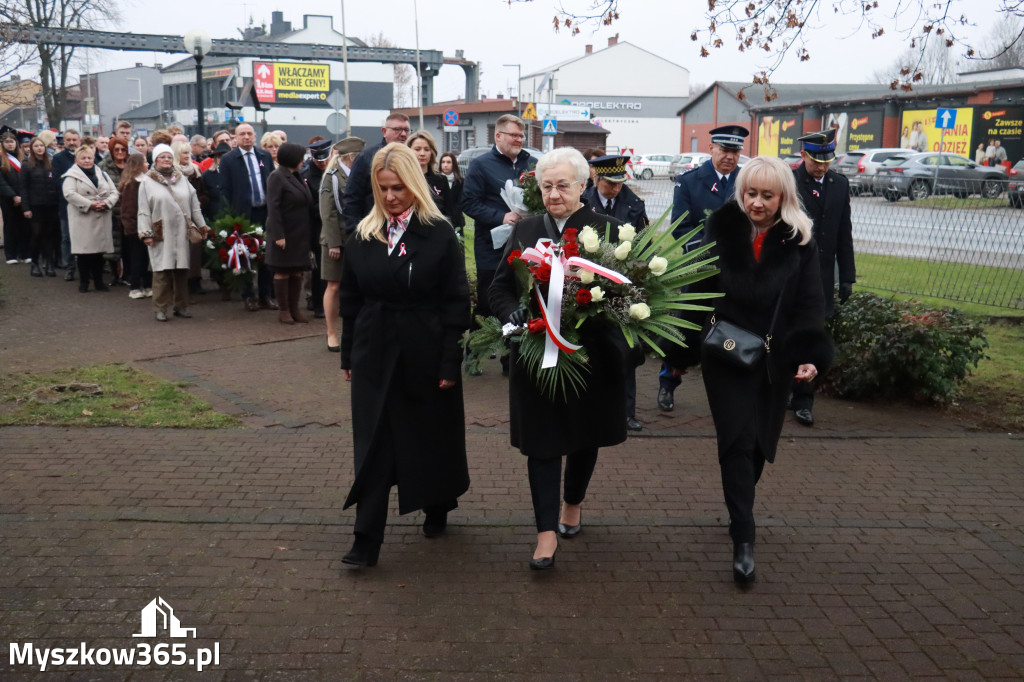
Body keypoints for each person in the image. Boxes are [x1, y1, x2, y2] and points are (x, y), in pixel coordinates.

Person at [667, 156, 831, 584]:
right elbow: (698, 292)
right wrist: (681, 346)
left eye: (766, 195)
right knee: (736, 441)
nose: (756, 203)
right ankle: (744, 536)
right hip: (726, 354)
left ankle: (741, 501)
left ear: (783, 197)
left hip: (775, 357)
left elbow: (811, 302)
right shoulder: (719, 229)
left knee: (759, 444)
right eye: (750, 193)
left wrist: (811, 353)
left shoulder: (800, 241)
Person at [489, 147, 629, 570]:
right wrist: (509, 310)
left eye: (562, 185)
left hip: (590, 358)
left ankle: (574, 501)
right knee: (543, 443)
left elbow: (628, 291)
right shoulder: (527, 230)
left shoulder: (610, 230)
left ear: (582, 186)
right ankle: (545, 532)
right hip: (536, 357)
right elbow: (498, 287)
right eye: (547, 186)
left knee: (585, 436)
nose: (554, 194)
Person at [339, 143, 471, 568]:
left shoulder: (439, 233)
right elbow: (350, 299)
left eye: (398, 187)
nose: (391, 197)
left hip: (425, 347)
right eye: (383, 189)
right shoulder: (362, 233)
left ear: (414, 185)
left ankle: (438, 502)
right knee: (374, 443)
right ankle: (366, 537)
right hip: (374, 347)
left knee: (430, 435)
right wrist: (347, 356)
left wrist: (451, 360)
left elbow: (456, 301)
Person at [660, 125, 750, 412]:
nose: (729, 157)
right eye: (724, 150)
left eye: (735, 152)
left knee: (733, 330)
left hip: (737, 272)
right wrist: (711, 250)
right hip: (701, 270)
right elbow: (681, 227)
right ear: (711, 148)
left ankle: (728, 392)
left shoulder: (747, 182)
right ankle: (668, 382)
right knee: (685, 329)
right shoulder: (690, 182)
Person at [461, 114, 535, 376]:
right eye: (514, 135)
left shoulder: (532, 163)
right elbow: (468, 202)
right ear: (498, 136)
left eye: (521, 135)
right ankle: (474, 354)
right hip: (490, 247)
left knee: (517, 300)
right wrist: (501, 217)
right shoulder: (481, 166)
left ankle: (509, 360)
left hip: (525, 246)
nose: (518, 140)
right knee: (487, 302)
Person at [581, 153, 649, 432]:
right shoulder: (583, 202)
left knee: (626, 348)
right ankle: (591, 408)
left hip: (624, 284)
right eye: (611, 183)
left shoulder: (633, 203)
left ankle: (627, 412)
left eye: (620, 183)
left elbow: (644, 241)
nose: (616, 189)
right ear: (597, 178)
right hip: (589, 284)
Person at [792, 129, 856, 427]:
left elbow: (844, 233)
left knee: (812, 338)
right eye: (816, 160)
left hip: (821, 279)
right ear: (803, 155)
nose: (822, 166)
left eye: (827, 160)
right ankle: (781, 389)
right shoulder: (788, 183)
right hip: (791, 275)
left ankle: (804, 400)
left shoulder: (839, 184)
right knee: (784, 336)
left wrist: (847, 277)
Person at [137, 144, 209, 322]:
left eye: (169, 157)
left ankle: (181, 306)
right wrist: (146, 233)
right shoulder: (147, 182)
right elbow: (143, 210)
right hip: (160, 231)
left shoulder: (182, 179)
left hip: (182, 231)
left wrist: (202, 226)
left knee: (182, 270)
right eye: (162, 157)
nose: (166, 160)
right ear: (155, 159)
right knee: (162, 271)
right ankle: (160, 308)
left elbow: (194, 205)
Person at [218, 122, 276, 311]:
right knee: (245, 255)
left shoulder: (264, 156)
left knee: (266, 255)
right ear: (235, 137)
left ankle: (265, 295)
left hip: (264, 211)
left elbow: (271, 182)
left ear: (255, 136)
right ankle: (248, 295)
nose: (246, 137)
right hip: (242, 214)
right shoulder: (228, 159)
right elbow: (225, 189)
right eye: (242, 134)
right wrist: (230, 216)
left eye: (249, 133)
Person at [320, 136, 365, 352]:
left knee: (359, 286)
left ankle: (358, 330)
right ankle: (331, 332)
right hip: (335, 240)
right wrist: (334, 244)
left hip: (357, 238)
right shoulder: (332, 177)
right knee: (334, 285)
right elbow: (327, 214)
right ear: (351, 157)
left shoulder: (360, 176)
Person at [264, 142, 314, 325]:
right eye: (300, 158)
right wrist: (278, 235)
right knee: (282, 271)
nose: (303, 161)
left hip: (299, 233)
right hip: (284, 233)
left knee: (297, 272)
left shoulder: (296, 176)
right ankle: (284, 310)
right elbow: (273, 208)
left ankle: (295, 309)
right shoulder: (277, 177)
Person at [62, 145, 119, 292]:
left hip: (102, 215)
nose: (87, 160)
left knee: (99, 253)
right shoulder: (71, 175)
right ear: (77, 160)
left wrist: (107, 203)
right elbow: (69, 194)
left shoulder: (102, 174)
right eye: (83, 158)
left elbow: (114, 192)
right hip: (83, 217)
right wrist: (90, 204)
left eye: (89, 157)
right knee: (84, 253)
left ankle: (99, 281)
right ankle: (84, 282)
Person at [342, 113, 411, 232]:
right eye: (397, 129)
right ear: (384, 131)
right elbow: (352, 199)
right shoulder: (366, 158)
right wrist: (355, 232)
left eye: (406, 130)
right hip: (375, 230)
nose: (403, 134)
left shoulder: (412, 159)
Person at [19, 136, 62, 277]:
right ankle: (35, 263)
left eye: (41, 146)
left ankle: (49, 263)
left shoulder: (51, 163)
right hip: (35, 205)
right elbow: (23, 188)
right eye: (36, 146)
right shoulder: (26, 165)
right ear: (31, 149)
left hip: (51, 205)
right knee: (37, 235)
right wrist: (26, 208)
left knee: (49, 235)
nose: (39, 148)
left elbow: (56, 183)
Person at [301, 138, 332, 318]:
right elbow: (307, 205)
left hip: (333, 225)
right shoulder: (306, 176)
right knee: (319, 269)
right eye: (318, 159)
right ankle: (318, 304)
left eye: (325, 158)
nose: (322, 163)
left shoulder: (334, 173)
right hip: (316, 227)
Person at [118, 152, 153, 299]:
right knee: (137, 259)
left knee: (147, 258)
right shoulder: (133, 185)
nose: (148, 164)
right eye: (145, 162)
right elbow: (129, 209)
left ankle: (147, 285)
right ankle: (135, 286)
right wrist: (132, 229)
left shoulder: (147, 181)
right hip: (136, 229)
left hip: (147, 226)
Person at [407, 130, 457, 226]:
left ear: (432, 152)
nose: (422, 153)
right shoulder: (403, 179)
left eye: (426, 149)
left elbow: (449, 212)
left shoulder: (441, 180)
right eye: (417, 149)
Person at [99, 138, 131, 287]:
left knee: (128, 245)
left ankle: (127, 274)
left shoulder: (131, 165)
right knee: (112, 244)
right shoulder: (103, 167)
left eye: (123, 149)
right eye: (116, 150)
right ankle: (114, 275)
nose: (120, 153)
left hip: (129, 210)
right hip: (112, 209)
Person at [51, 128, 81, 278]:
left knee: (83, 236)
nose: (71, 143)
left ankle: (84, 266)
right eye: (68, 140)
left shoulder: (86, 156)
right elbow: (56, 180)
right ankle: (69, 267)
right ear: (64, 141)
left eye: (74, 140)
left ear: (79, 140)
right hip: (66, 204)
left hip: (85, 204)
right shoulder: (58, 158)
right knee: (66, 237)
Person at [1, 128, 30, 265]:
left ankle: (25, 253)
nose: (9, 144)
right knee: (10, 226)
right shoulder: (1, 158)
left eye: (12, 141)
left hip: (23, 197)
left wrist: (23, 196)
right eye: (6, 142)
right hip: (8, 199)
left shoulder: (22, 157)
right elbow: (1, 181)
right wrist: (13, 196)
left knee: (24, 226)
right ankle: (11, 255)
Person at [438, 151, 465, 234]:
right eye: (443, 162)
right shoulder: (436, 180)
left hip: (456, 221)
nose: (445, 165)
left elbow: (461, 202)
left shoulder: (460, 182)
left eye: (449, 162)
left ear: (453, 164)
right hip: (439, 220)